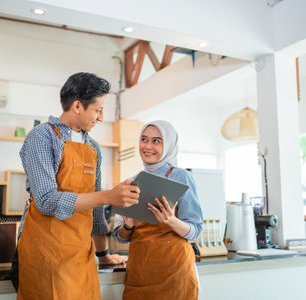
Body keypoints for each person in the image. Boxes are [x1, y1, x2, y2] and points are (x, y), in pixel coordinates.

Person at [16, 72, 140, 300]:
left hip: (82, 255)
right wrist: (108, 196)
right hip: (45, 253)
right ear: (77, 106)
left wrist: (103, 255)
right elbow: (46, 201)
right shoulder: (42, 137)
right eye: (98, 109)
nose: (101, 117)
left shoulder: (93, 147)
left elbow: (94, 211)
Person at [113, 120, 203, 299]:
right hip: (139, 275)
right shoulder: (131, 182)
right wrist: (128, 226)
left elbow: (195, 231)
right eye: (144, 139)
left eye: (156, 141)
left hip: (175, 275)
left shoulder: (181, 177)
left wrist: (171, 221)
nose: (147, 146)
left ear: (168, 145)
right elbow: (120, 237)